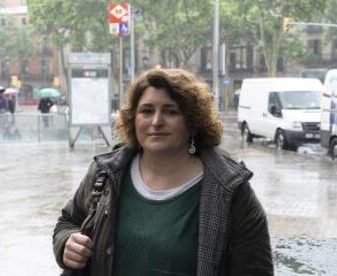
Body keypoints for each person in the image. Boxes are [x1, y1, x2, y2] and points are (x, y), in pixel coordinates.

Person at [53, 68, 273, 276]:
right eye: (147, 111)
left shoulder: (230, 190)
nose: (157, 121)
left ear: (193, 122)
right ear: (133, 120)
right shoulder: (106, 173)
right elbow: (68, 222)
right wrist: (67, 243)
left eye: (171, 111)